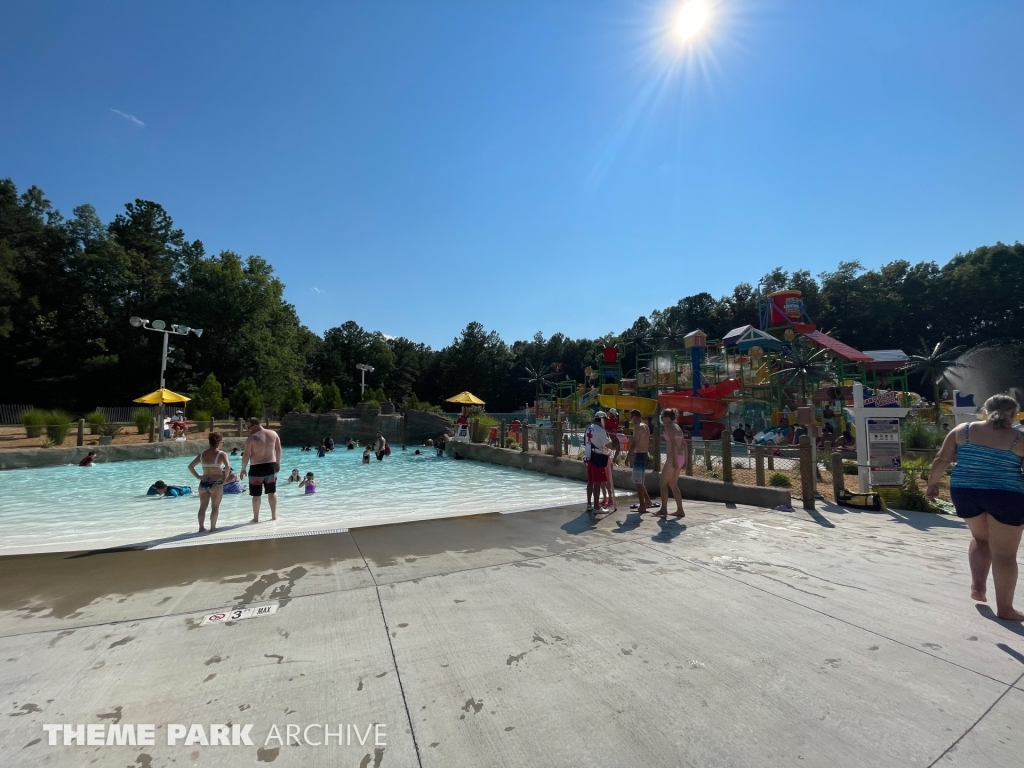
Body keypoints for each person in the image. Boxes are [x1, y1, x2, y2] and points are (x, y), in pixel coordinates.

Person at [928, 395, 1024, 621]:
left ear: (985, 410)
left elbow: (942, 459)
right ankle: (1006, 609)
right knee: (1004, 554)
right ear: (1013, 414)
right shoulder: (1019, 438)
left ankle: (978, 588)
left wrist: (932, 485)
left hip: (965, 492)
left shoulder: (964, 430)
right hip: (1006, 495)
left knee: (981, 539)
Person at [239, 417, 282, 523]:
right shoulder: (273, 434)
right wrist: (277, 463)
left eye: (249, 427)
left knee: (256, 495)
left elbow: (245, 456)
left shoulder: (251, 438)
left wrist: (243, 469)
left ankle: (256, 518)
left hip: (256, 467)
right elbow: (278, 450)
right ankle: (274, 516)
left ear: (255, 425)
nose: (248, 429)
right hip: (271, 466)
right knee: (272, 492)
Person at [188, 432, 231, 532]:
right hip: (216, 483)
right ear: (219, 442)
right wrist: (226, 477)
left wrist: (198, 476)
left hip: (204, 483)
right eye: (222, 442)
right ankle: (212, 528)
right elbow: (228, 467)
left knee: (202, 507)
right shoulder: (221, 454)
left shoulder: (202, 454)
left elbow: (190, 466)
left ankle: (201, 528)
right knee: (215, 507)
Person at [656, 408, 685, 518]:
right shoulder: (678, 427)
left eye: (662, 418)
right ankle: (680, 510)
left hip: (674, 457)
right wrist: (685, 461)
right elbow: (684, 444)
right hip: (680, 456)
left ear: (667, 418)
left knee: (662, 483)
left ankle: (663, 509)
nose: (662, 420)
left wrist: (675, 462)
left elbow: (673, 443)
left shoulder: (668, 427)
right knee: (673, 484)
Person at [625, 409, 656, 514]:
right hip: (644, 454)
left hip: (639, 455)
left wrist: (628, 457)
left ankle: (642, 505)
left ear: (635, 417)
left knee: (638, 482)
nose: (631, 420)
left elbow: (634, 443)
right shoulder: (646, 426)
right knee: (640, 480)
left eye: (631, 418)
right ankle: (647, 501)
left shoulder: (638, 427)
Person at [583, 412, 614, 513]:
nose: (605, 422)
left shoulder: (589, 428)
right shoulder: (600, 430)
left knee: (590, 481)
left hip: (588, 457)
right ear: (601, 419)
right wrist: (610, 439)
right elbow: (609, 445)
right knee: (597, 483)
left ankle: (589, 504)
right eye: (605, 420)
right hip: (597, 458)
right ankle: (596, 507)